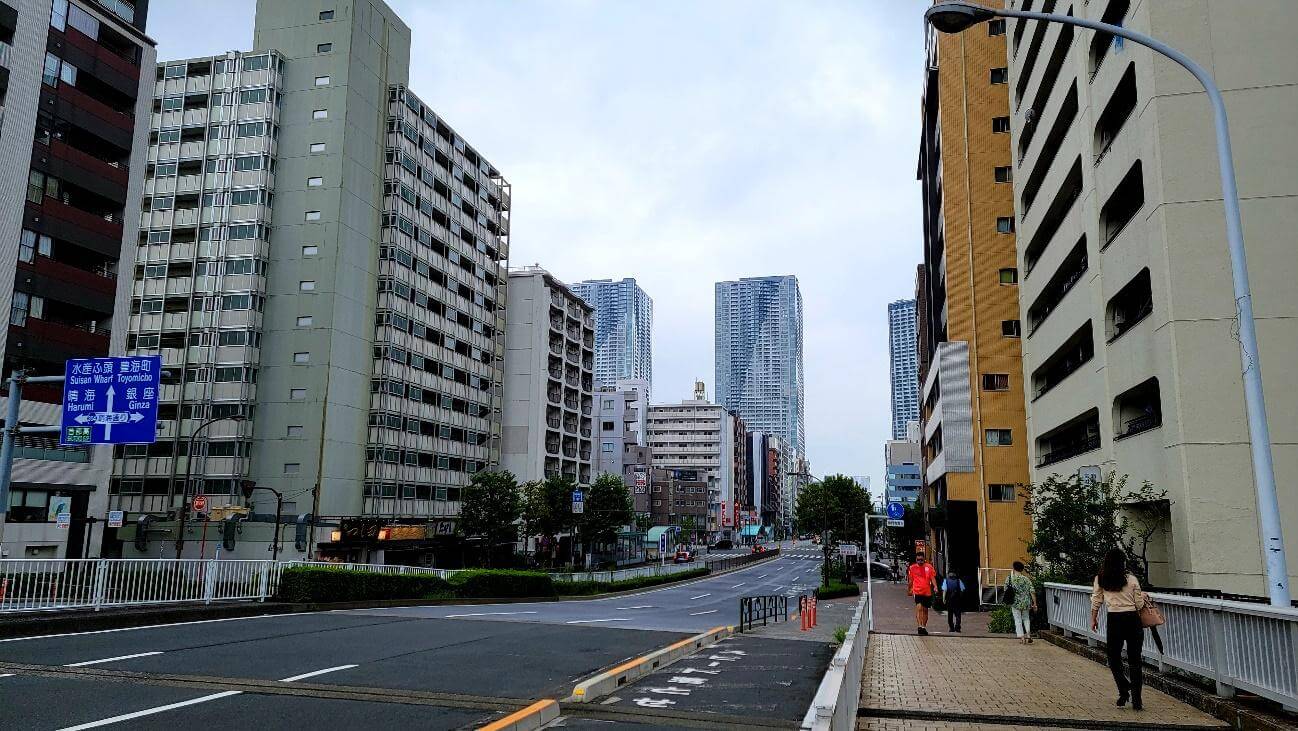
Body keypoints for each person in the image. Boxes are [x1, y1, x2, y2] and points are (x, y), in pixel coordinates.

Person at [1091, 548, 1146, 711]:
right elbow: (1139, 605)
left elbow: (1096, 599)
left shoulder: (1101, 578)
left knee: (1113, 658)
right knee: (1135, 660)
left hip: (1114, 619)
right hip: (1132, 620)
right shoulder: (1131, 579)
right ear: (1123, 562)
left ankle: (1124, 688)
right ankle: (1137, 700)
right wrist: (1143, 597)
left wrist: (1093, 618)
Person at [907, 553, 938, 635]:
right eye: (918, 560)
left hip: (927, 592)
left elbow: (932, 578)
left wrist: (935, 587)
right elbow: (910, 580)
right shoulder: (912, 568)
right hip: (917, 591)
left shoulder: (929, 567)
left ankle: (923, 626)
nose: (920, 561)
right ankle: (919, 626)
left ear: (924, 559)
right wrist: (909, 589)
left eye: (921, 560)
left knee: (925, 610)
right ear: (916, 560)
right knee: (919, 607)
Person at [1006, 561, 1036, 644]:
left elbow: (1006, 590)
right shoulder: (1026, 579)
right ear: (1022, 569)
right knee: (1026, 618)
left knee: (1017, 619)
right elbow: (1032, 591)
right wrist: (1035, 603)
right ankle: (1029, 635)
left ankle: (1022, 637)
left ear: (1014, 568)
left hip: (1015, 603)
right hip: (1026, 602)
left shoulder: (1009, 578)